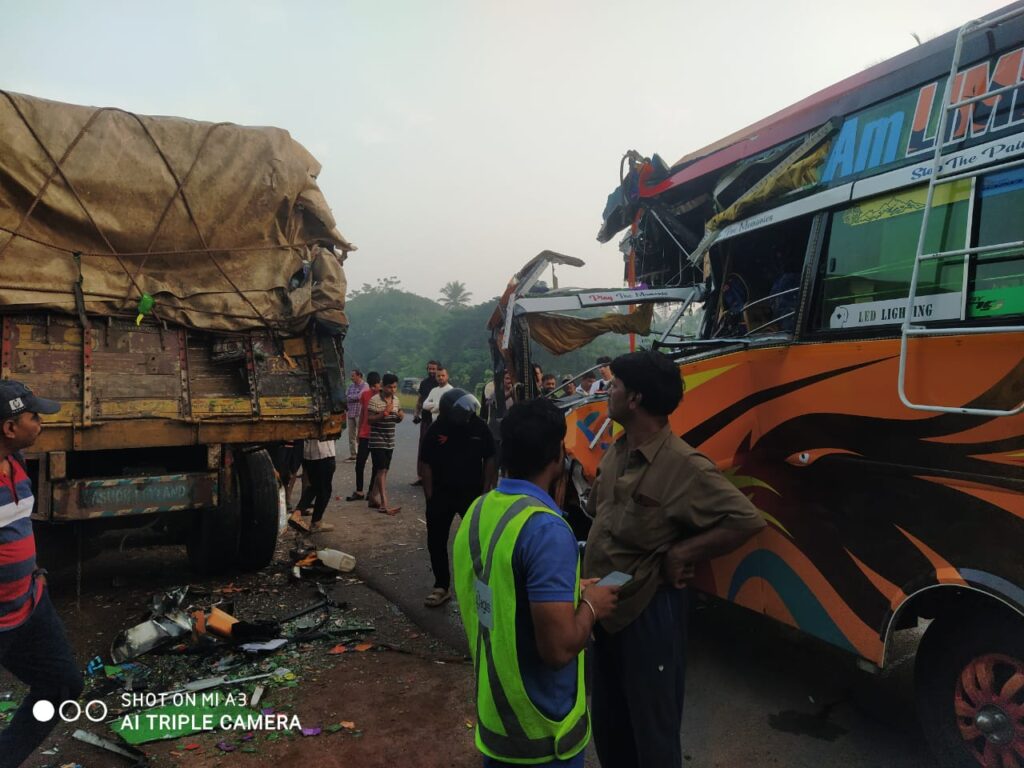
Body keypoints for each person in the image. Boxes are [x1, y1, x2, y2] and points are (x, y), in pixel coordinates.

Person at [583, 350, 766, 768]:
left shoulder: (685, 466)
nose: (606, 393)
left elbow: (746, 519)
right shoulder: (618, 449)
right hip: (603, 608)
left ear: (635, 399)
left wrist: (684, 550)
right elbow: (599, 511)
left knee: (654, 734)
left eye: (613, 386)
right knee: (610, 724)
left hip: (648, 611)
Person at [453, 399, 620, 768]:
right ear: (558, 454)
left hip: (496, 722)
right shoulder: (547, 530)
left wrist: (564, 593)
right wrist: (590, 605)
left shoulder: (479, 510)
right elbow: (558, 649)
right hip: (544, 737)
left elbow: (502, 588)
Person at [0, 381, 83, 766]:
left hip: (30, 608)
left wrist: (35, 572)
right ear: (9, 427)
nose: (41, 424)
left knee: (62, 684)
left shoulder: (16, 462)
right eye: (35, 417)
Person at [421, 388, 497, 608]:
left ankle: (482, 586)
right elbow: (425, 463)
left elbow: (490, 457)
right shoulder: (437, 429)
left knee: (478, 541)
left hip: (471, 494)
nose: (468, 412)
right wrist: (429, 496)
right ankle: (441, 586)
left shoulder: (478, 426)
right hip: (441, 494)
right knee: (436, 541)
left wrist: (486, 490)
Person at [367, 373, 404, 515]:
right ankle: (384, 503)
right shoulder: (374, 400)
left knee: (383, 471)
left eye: (395, 387)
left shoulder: (396, 400)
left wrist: (400, 416)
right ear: (383, 386)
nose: (392, 390)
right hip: (377, 440)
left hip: (390, 440)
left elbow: (397, 418)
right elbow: (369, 420)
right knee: (381, 470)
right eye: (390, 387)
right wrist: (383, 413)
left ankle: (372, 498)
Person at [289, 437, 337, 533]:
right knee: (325, 489)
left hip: (308, 454)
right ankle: (316, 522)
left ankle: (298, 513)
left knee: (314, 487)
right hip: (324, 453)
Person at [346, 371, 380, 502]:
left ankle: (371, 491)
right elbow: (362, 415)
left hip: (377, 435)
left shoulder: (383, 396)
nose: (373, 388)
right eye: (371, 385)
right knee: (359, 463)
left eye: (375, 385)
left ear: (379, 384)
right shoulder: (365, 395)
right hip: (365, 433)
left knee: (376, 466)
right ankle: (359, 490)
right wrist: (360, 432)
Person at [411, 360, 440, 487]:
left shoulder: (443, 383)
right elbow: (420, 400)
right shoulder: (424, 383)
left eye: (434, 369)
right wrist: (416, 413)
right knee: (423, 447)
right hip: (426, 419)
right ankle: (421, 476)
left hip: (439, 421)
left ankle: (436, 476)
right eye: (430, 369)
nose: (432, 371)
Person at [344, 369, 368, 462]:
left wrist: (350, 397)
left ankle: (362, 456)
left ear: (359, 376)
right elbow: (346, 396)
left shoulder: (365, 386)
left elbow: (360, 397)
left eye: (353, 376)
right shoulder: (351, 386)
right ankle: (353, 455)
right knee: (351, 435)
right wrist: (351, 397)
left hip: (360, 413)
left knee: (361, 435)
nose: (351, 377)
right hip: (351, 413)